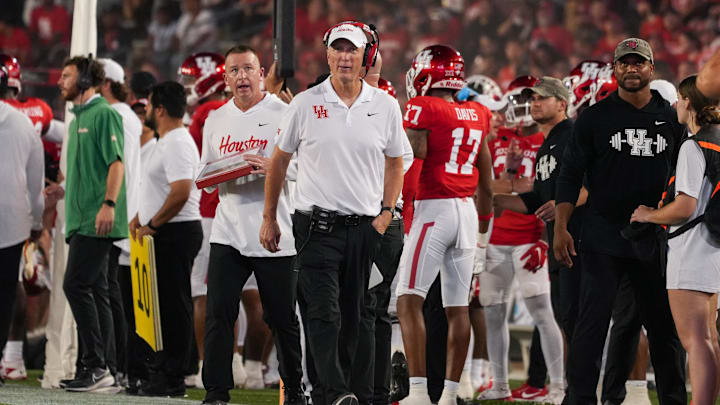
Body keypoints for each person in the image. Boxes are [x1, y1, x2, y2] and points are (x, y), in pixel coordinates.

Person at [260, 21, 405, 405]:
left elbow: (396, 162)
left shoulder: (386, 105)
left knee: (356, 318)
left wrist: (387, 211)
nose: (344, 57)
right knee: (324, 313)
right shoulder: (306, 104)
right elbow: (278, 162)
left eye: (352, 50)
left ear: (364, 57)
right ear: (327, 55)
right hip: (316, 228)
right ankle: (336, 393)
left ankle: (342, 394)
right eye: (338, 49)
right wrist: (269, 216)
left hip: (364, 229)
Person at [554, 37, 687, 405]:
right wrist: (561, 226)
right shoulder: (595, 118)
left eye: (638, 62)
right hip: (602, 236)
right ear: (615, 69)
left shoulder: (672, 119)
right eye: (624, 63)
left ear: (651, 69)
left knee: (663, 329)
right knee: (591, 325)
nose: (631, 68)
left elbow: (688, 176)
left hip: (654, 236)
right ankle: (579, 398)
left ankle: (673, 399)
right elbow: (569, 175)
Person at [200, 45, 305, 405]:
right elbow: (208, 177)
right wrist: (220, 173)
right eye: (234, 70)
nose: (242, 76)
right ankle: (216, 391)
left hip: (275, 229)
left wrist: (273, 168)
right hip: (227, 230)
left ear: (262, 74)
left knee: (280, 318)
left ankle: (293, 390)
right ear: (225, 78)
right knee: (219, 313)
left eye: (249, 69)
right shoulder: (215, 119)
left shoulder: (285, 113)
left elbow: (307, 169)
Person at [395, 44, 493, 405]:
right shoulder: (478, 112)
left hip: (433, 209)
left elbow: (415, 163)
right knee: (458, 308)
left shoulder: (422, 107)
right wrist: (483, 235)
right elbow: (487, 181)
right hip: (466, 212)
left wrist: (403, 211)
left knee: (408, 301)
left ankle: (419, 392)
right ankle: (451, 393)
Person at [631, 74, 720, 405]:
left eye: (682, 99)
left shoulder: (693, 145)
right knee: (709, 337)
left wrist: (647, 215)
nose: (677, 105)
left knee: (695, 340)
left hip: (692, 249)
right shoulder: (719, 138)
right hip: (713, 247)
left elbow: (684, 206)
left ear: (691, 103)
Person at [491, 76, 576, 404]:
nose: (535, 103)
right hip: (556, 240)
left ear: (562, 104)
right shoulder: (547, 145)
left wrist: (564, 203)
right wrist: (501, 198)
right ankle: (562, 389)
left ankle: (564, 389)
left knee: (569, 316)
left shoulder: (571, 137)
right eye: (533, 98)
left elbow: (593, 184)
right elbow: (536, 199)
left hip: (576, 238)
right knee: (563, 314)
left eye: (542, 98)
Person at [55, 55, 126, 392]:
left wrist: (109, 204)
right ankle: (102, 369)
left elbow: (116, 164)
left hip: (96, 220)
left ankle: (96, 365)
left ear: (85, 80)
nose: (60, 81)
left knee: (75, 285)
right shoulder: (76, 121)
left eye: (66, 76)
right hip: (81, 220)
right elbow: (87, 170)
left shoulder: (104, 114)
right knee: (95, 292)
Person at [129, 81, 203, 397]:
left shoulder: (177, 142)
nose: (145, 111)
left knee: (174, 306)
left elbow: (181, 192)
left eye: (147, 106)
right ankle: (162, 371)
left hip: (175, 232)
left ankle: (174, 376)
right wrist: (139, 219)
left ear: (159, 109)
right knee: (160, 307)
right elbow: (161, 189)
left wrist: (153, 225)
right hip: (164, 231)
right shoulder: (166, 141)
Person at [0, 53, 59, 383]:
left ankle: (13, 357)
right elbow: (37, 183)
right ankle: (9, 357)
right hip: (12, 223)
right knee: (8, 291)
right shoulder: (26, 121)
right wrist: (37, 223)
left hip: (13, 222)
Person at [98, 57, 142, 389]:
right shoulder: (126, 116)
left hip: (114, 214)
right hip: (122, 213)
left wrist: (107, 205)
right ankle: (119, 367)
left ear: (105, 84)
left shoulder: (116, 115)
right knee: (113, 293)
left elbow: (114, 166)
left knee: (110, 294)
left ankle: (115, 367)